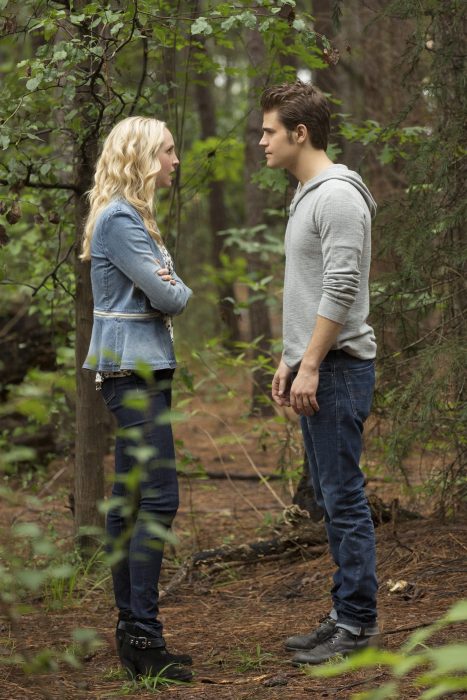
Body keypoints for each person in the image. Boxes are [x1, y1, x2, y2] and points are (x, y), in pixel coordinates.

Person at [259, 81, 380, 664]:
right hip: (315, 368)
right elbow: (309, 293)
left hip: (337, 371)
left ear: (299, 133)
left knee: (345, 500)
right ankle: (344, 615)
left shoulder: (336, 197)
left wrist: (309, 365)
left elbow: (341, 288)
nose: (262, 141)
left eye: (269, 131)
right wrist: (289, 360)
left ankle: (357, 626)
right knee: (332, 500)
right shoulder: (308, 194)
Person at [80, 116, 193, 681]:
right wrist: (175, 282)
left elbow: (159, 288)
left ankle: (133, 631)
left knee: (130, 503)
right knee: (159, 499)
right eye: (169, 151)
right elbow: (170, 297)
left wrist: (166, 278)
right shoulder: (122, 219)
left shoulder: (127, 217)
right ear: (144, 155)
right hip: (136, 372)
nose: (176, 160)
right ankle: (144, 632)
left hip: (135, 371)